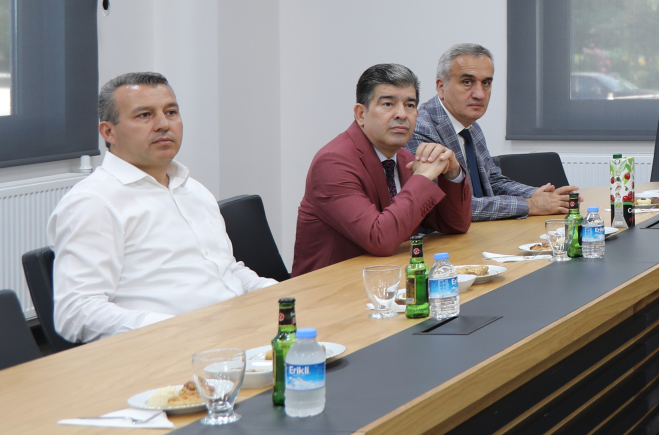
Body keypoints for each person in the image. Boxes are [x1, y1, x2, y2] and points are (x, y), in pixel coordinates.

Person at [46, 72, 277, 344]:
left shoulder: (193, 189)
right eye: (145, 115)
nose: (163, 124)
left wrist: (278, 295)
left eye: (171, 112)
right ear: (109, 132)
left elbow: (226, 270)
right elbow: (76, 311)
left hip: (236, 331)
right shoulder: (93, 202)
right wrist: (176, 329)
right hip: (167, 346)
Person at [292, 63, 472, 274]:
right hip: (332, 286)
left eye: (410, 105)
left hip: (390, 278)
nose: (401, 114)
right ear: (361, 114)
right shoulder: (332, 163)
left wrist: (452, 173)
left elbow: (454, 225)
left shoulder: (404, 158)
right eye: (388, 104)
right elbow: (380, 239)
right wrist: (423, 178)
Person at [412, 42, 577, 220]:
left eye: (486, 83)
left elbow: (492, 180)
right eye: (467, 82)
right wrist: (530, 204)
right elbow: (444, 207)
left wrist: (538, 194)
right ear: (441, 87)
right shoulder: (420, 130)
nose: (480, 94)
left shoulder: (472, 128)